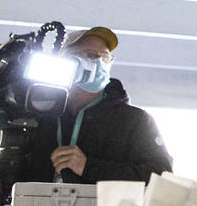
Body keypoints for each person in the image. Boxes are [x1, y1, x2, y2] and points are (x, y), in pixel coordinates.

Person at [18, 26, 173, 184]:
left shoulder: (134, 120)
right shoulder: (38, 114)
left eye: (105, 58)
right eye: (91, 55)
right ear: (65, 61)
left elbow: (161, 175)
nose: (99, 63)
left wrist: (88, 167)